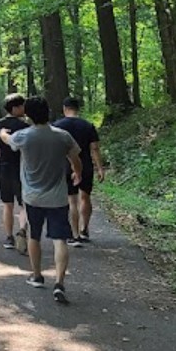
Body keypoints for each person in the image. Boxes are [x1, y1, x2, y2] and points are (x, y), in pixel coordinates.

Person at [0, 97, 82, 303]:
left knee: (34, 237)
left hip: (32, 197)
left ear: (27, 114)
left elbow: (7, 140)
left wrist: (2, 133)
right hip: (58, 197)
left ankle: (37, 276)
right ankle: (60, 283)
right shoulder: (63, 136)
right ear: (49, 112)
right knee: (60, 240)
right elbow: (75, 158)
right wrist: (77, 173)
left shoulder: (23, 136)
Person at [54, 97, 107, 243]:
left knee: (72, 200)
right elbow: (94, 148)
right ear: (78, 109)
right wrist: (100, 168)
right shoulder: (88, 125)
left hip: (65, 165)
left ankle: (74, 234)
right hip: (86, 165)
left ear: (65, 108)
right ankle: (85, 229)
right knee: (85, 197)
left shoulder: (57, 126)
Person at [0, 93, 28, 250]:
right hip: (22, 168)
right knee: (23, 204)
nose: (24, 108)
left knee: (7, 204)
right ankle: (22, 230)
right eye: (22, 106)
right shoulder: (25, 126)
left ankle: (9, 238)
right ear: (15, 108)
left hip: (4, 167)